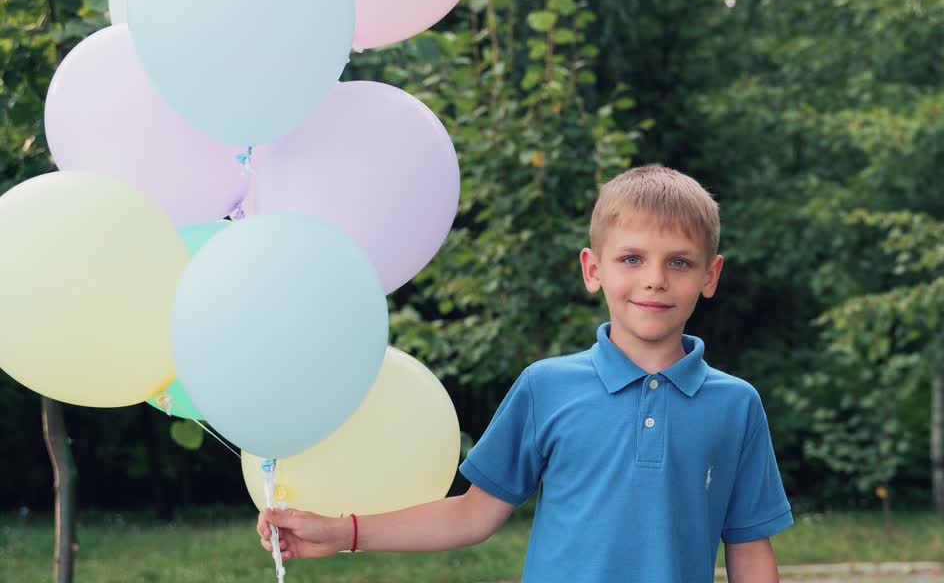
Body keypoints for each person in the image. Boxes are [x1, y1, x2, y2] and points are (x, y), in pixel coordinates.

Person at [257, 164, 792, 582]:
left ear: (710, 275)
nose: (654, 280)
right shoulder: (545, 388)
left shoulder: (735, 404)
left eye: (679, 262)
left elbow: (747, 546)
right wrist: (341, 531)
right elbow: (472, 517)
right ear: (592, 269)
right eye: (631, 258)